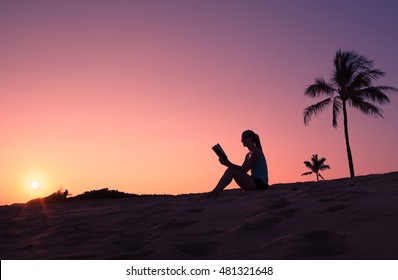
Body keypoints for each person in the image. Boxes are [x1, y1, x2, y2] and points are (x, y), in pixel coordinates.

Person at [205, 130, 268, 197]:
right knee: (231, 170)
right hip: (255, 183)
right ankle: (214, 192)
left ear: (251, 138)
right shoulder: (248, 155)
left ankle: (214, 193)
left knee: (231, 170)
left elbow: (244, 169)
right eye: (241, 139)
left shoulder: (256, 151)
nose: (242, 141)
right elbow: (243, 170)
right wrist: (227, 162)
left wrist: (228, 163)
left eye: (243, 138)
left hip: (260, 184)